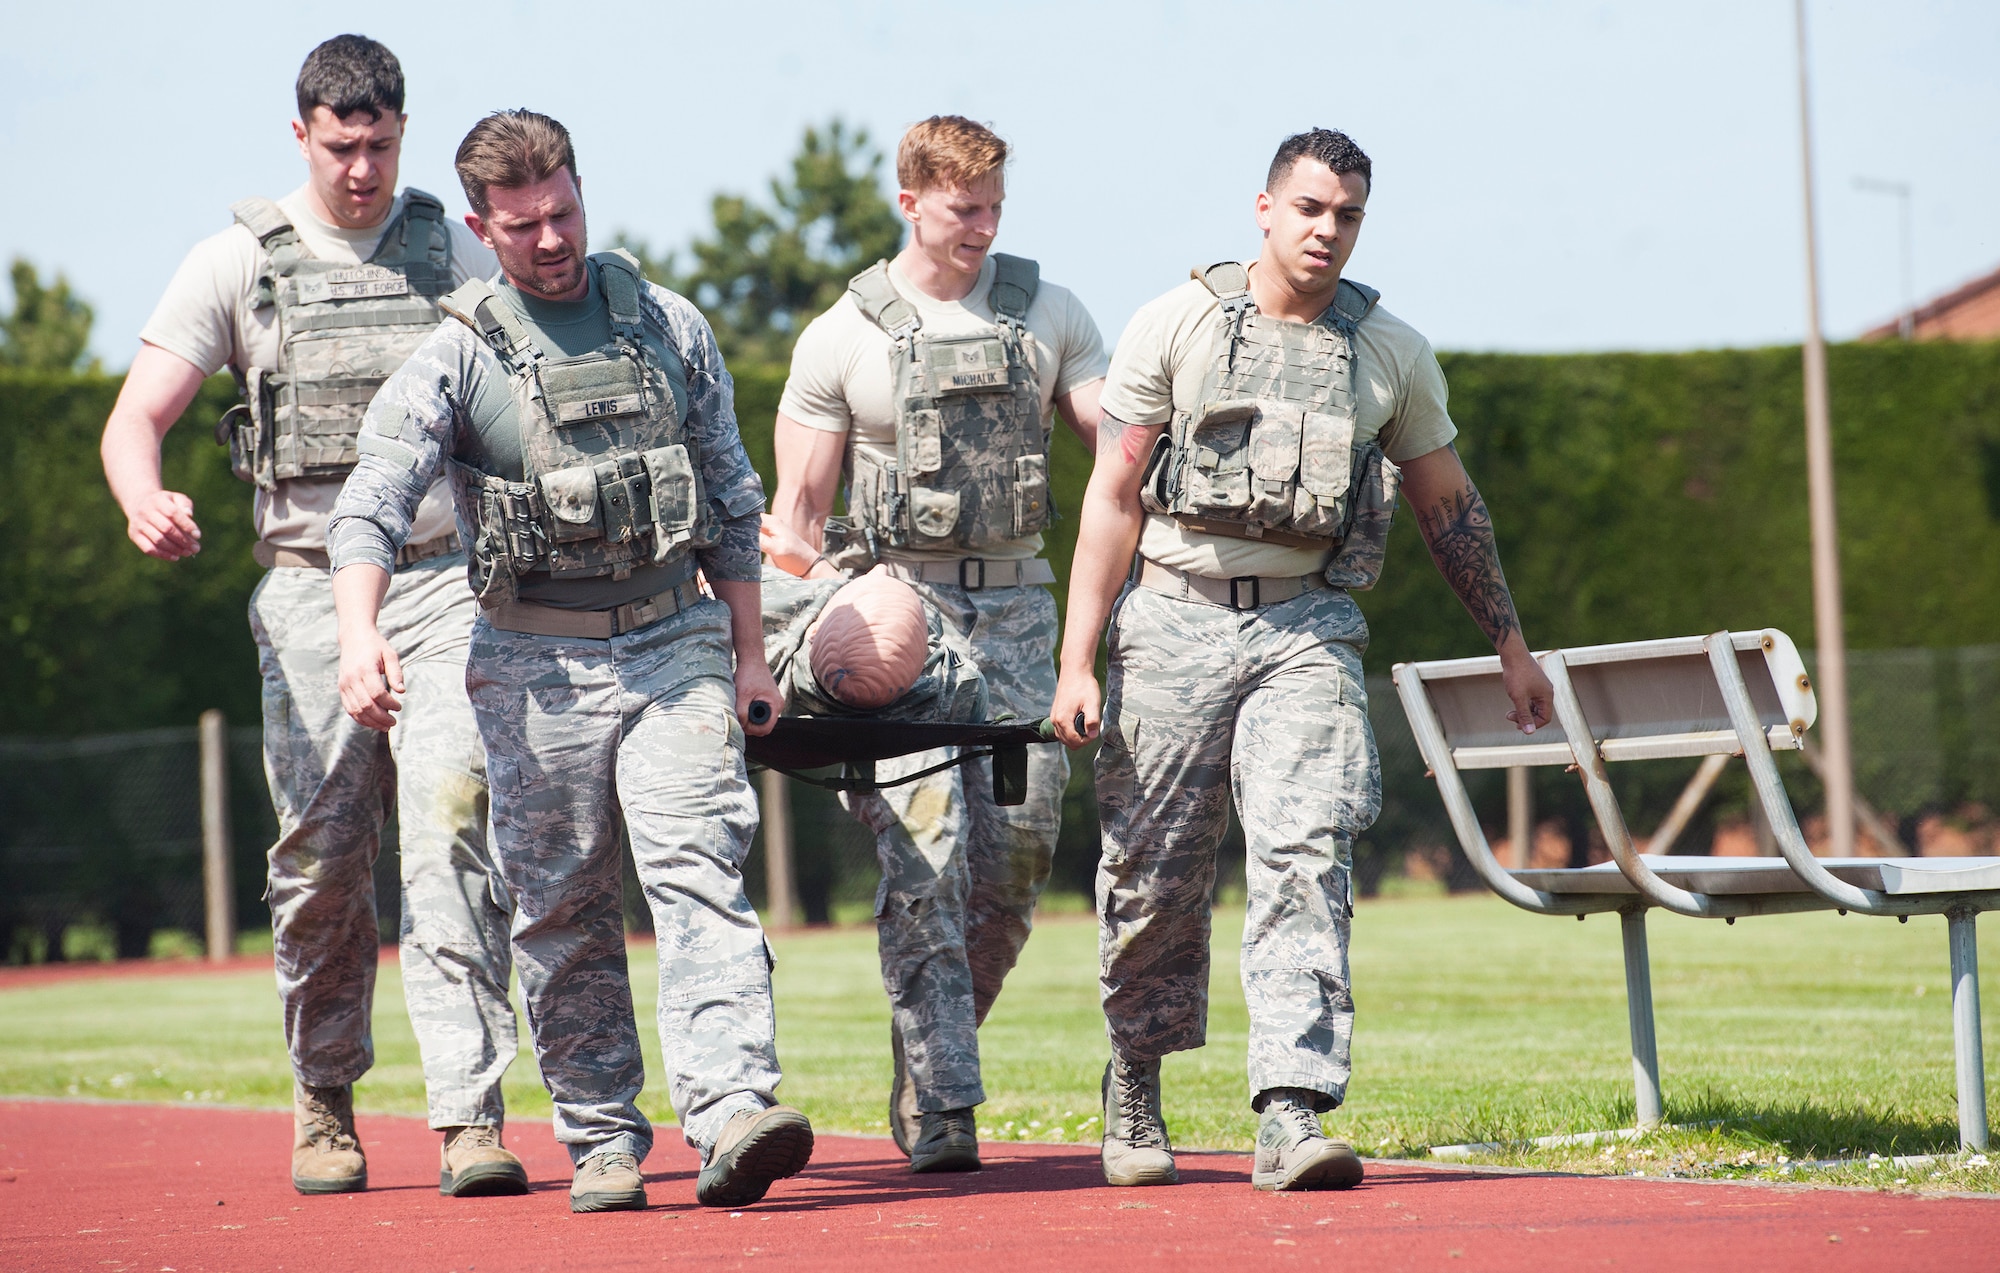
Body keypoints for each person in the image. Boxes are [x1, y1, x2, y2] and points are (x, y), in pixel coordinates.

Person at [1050, 128, 1556, 1192]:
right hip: (1172, 616)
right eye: (1311, 208)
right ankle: (1135, 1074)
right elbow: (1110, 495)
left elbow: (1447, 507)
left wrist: (1508, 643)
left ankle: (1291, 1106)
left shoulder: (1390, 352)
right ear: (1264, 210)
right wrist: (1077, 658)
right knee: (1153, 874)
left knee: (1304, 850)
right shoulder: (1174, 321)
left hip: (1308, 628)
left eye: (1348, 215)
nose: (1327, 231)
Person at [327, 109, 812, 1213]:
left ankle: (732, 1106)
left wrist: (749, 655)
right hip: (533, 667)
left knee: (697, 866)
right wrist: (362, 633)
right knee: (561, 904)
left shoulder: (668, 326)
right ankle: (600, 1135)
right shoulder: (453, 355)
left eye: (563, 212)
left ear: (581, 192)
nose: (550, 240)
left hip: (671, 640)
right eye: (522, 224)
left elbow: (732, 504)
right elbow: (368, 509)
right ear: (479, 228)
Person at [99, 35, 524, 1199]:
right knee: (325, 860)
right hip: (304, 589)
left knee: (453, 826)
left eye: (381, 145)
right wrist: (147, 497)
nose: (362, 170)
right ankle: (325, 1093)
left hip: (444, 579)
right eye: (342, 147)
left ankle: (468, 1114)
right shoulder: (236, 263)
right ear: (303, 134)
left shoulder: (456, 252)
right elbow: (135, 419)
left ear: (403, 130)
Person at [767, 115, 1108, 1163]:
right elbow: (795, 518)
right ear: (910, 201)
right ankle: (945, 1108)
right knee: (925, 855)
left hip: (1018, 617)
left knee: (1008, 874)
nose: (983, 226)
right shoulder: (840, 335)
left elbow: (1117, 451)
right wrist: (800, 640)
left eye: (996, 206)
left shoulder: (1048, 310)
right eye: (964, 208)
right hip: (897, 628)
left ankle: (925, 1051)